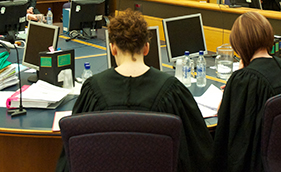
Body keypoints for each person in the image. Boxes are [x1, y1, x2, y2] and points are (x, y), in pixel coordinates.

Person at [55, 9, 213, 172]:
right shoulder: (172, 90)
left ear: (113, 49)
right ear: (146, 48)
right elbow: (199, 152)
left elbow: (73, 153)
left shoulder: (92, 89)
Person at [212, 11, 281, 172]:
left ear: (239, 45)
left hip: (259, 161)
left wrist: (232, 88)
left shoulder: (245, 79)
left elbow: (226, 121)